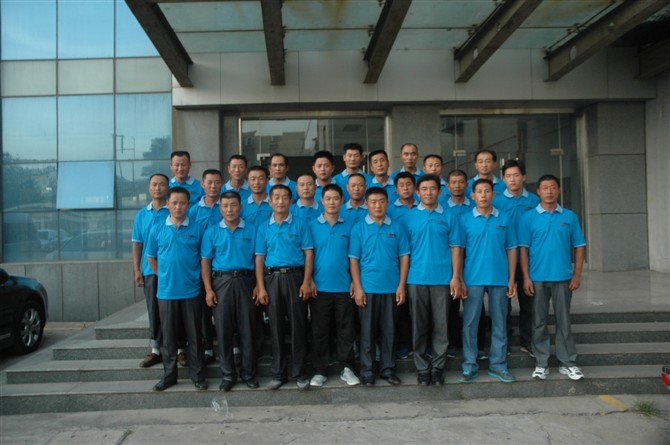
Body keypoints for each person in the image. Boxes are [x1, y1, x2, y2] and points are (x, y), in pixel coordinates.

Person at [519, 174, 586, 381]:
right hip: (537, 278)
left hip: (563, 278)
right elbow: (523, 249)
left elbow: (579, 246)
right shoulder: (528, 218)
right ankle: (541, 363)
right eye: (545, 188)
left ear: (559, 190)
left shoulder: (569, 216)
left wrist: (577, 274)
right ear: (538, 192)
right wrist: (526, 277)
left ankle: (568, 363)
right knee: (538, 322)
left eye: (553, 187)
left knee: (563, 321)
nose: (549, 191)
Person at [146, 186, 207, 391]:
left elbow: (204, 259)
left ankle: (198, 376)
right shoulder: (157, 229)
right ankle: (169, 375)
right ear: (168, 204)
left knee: (194, 336)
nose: (178, 206)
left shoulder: (198, 229)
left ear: (188, 204)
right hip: (166, 292)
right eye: (174, 203)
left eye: (182, 203)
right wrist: (163, 275)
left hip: (192, 291)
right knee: (169, 337)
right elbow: (151, 258)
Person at [255, 184, 315, 390]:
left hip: (295, 278)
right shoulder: (263, 227)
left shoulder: (300, 224)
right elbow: (259, 259)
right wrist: (261, 287)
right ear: (270, 201)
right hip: (272, 279)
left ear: (291, 201)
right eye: (276, 198)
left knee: (298, 326)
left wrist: (306, 281)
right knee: (276, 326)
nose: (280, 201)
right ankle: (278, 373)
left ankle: (299, 372)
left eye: (284, 198)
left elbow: (308, 254)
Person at [458, 179, 517, 384]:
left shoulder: (504, 218)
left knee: (500, 323)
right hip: (472, 279)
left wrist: (512, 278)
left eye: (487, 191)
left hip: (499, 278)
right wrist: (459, 278)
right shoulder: (464, 220)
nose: (483, 195)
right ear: (472, 196)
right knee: (470, 324)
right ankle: (469, 365)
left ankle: (498, 365)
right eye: (479, 192)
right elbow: (459, 251)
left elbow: (511, 249)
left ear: (493, 194)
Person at [349, 187, 409, 386]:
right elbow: (354, 259)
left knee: (389, 331)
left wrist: (401, 285)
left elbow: (404, 257)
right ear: (366, 204)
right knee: (367, 332)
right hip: (367, 288)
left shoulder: (397, 227)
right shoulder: (359, 228)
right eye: (373, 202)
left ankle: (388, 369)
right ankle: (367, 371)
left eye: (381, 201)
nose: (377, 206)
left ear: (387, 203)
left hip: (391, 288)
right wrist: (358, 287)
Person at [406, 174, 463, 386]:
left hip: (442, 279)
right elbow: (404, 253)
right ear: (417, 192)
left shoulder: (449, 216)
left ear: (440, 191)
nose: (428, 193)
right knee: (418, 326)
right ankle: (422, 368)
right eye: (424, 189)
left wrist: (455, 277)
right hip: (416, 279)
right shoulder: (409, 217)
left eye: (432, 189)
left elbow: (456, 248)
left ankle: (438, 367)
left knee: (442, 326)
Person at [201, 191, 259, 392]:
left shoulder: (252, 229)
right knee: (223, 330)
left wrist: (258, 285)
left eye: (233, 205)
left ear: (240, 207)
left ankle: (249, 373)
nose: (229, 209)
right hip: (221, 282)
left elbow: (259, 259)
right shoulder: (212, 232)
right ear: (220, 209)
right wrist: (208, 289)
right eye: (225, 206)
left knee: (248, 329)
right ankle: (227, 375)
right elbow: (205, 262)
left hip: (246, 281)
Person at [308, 183, 360, 387]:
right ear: (322, 201)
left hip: (344, 287)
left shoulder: (350, 226)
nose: (331, 202)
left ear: (342, 201)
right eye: (328, 198)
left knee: (346, 330)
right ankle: (319, 370)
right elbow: (307, 256)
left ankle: (347, 368)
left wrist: (355, 282)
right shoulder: (311, 226)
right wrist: (309, 279)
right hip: (319, 287)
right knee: (319, 330)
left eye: (335, 198)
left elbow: (354, 258)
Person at [493, 160, 540, 357]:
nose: (512, 179)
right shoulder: (496, 202)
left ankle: (527, 341)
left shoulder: (534, 201)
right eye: (508, 176)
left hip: (529, 259)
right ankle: (505, 342)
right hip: (504, 259)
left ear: (524, 177)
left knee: (528, 303)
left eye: (516, 175)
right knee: (503, 304)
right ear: (503, 179)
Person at [132, 173, 170, 368]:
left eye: (162, 184)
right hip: (149, 271)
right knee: (153, 309)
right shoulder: (142, 215)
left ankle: (179, 348)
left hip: (172, 271)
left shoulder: (173, 210)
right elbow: (137, 243)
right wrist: (136, 269)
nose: (158, 188)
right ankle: (156, 349)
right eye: (154, 184)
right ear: (149, 187)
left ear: (167, 188)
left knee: (174, 309)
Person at [187, 168, 224, 365]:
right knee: (203, 309)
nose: (213, 186)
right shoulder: (193, 211)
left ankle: (232, 345)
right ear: (202, 184)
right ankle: (208, 346)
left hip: (222, 265)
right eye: (209, 182)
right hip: (200, 264)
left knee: (224, 307)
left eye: (217, 182)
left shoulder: (226, 206)